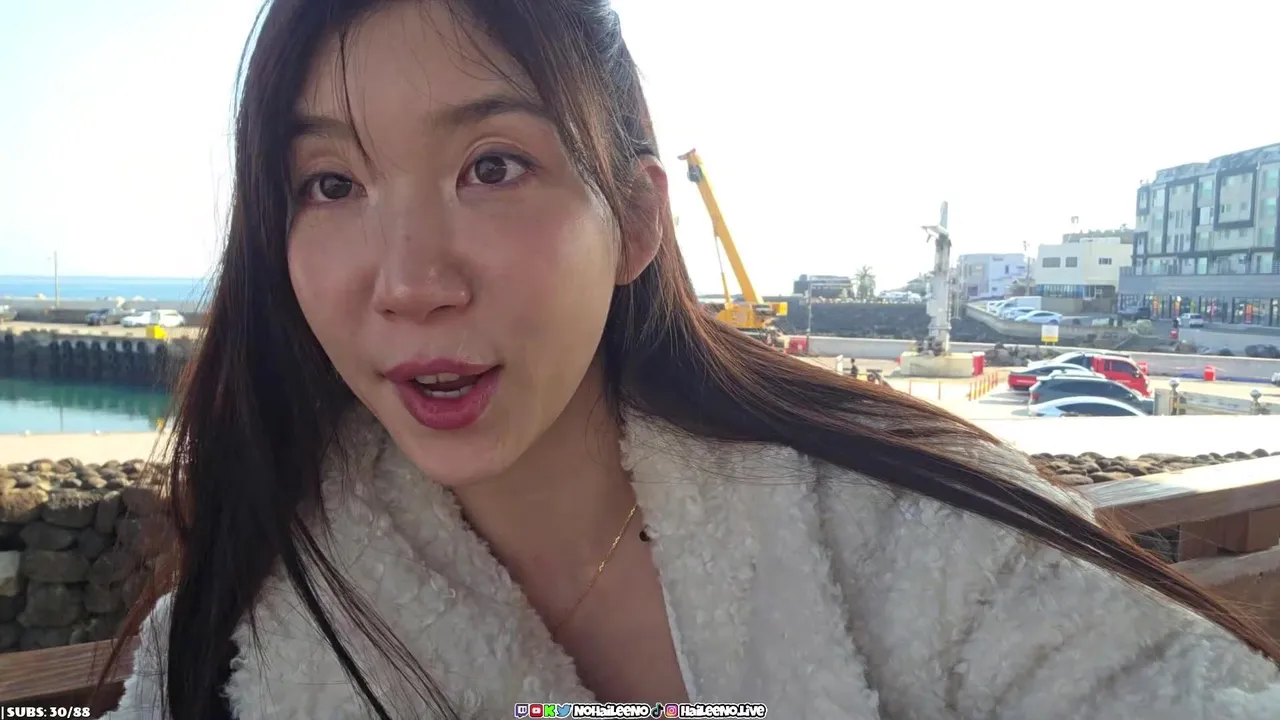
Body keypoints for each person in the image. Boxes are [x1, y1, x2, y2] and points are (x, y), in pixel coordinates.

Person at [103, 1, 1280, 718]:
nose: (409, 281)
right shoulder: (241, 618)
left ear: (635, 221)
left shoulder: (913, 538)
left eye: (492, 167)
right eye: (330, 183)